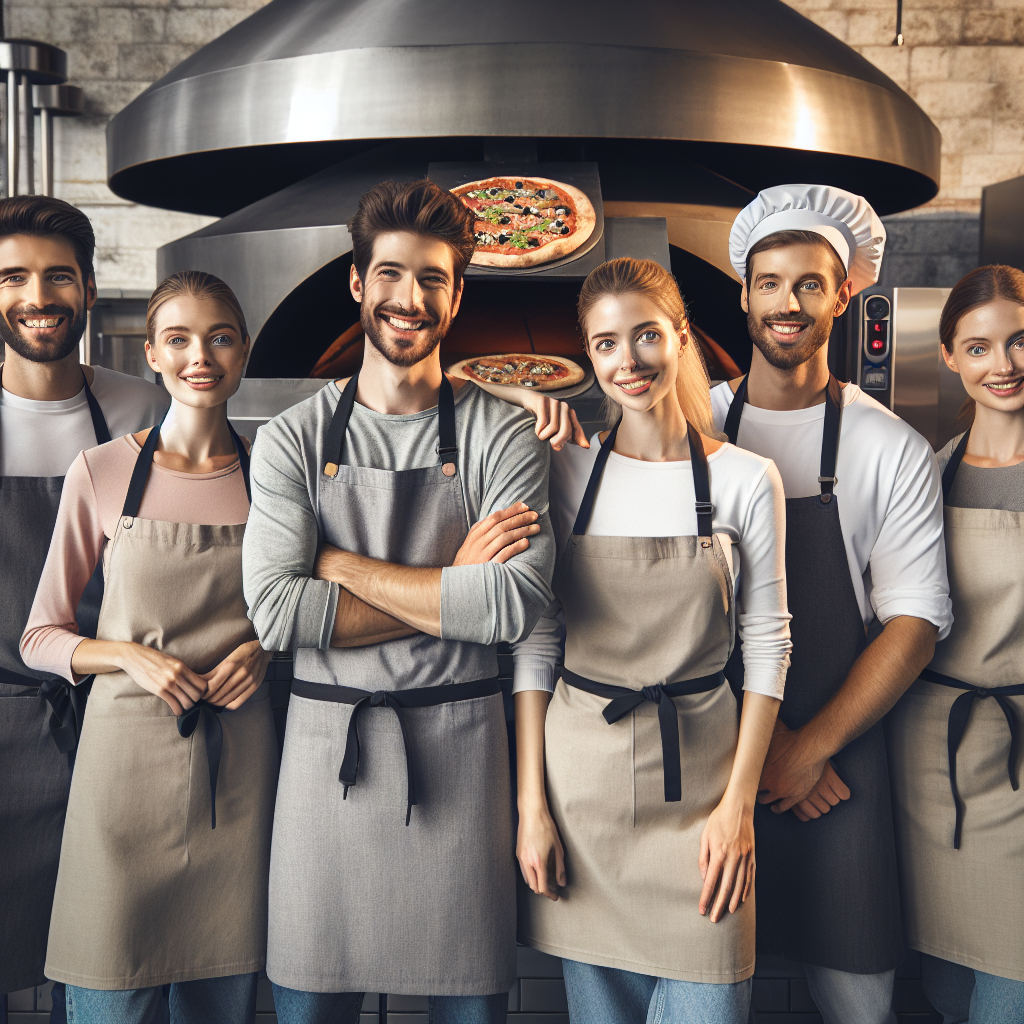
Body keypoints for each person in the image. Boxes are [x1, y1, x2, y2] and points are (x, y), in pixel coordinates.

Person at [242, 179, 554, 1024]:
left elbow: (515, 607)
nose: (408, 299)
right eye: (390, 275)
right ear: (357, 283)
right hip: (325, 769)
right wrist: (456, 575)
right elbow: (277, 615)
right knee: (308, 1004)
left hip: (462, 765)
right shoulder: (293, 439)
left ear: (458, 294)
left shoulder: (502, 432)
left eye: (432, 279)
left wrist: (338, 565)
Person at [511, 257, 790, 1024]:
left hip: (702, 795)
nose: (626, 361)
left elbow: (768, 650)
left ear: (682, 338)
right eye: (604, 344)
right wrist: (531, 807)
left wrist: (738, 810)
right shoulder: (562, 473)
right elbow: (535, 646)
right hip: (582, 800)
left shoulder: (744, 479)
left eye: (645, 336)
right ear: (587, 358)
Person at [715, 184, 952, 1024]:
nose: (788, 303)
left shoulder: (889, 446)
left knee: (859, 999)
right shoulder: (691, 425)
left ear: (844, 291)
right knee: (712, 986)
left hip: (841, 767)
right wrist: (764, 749)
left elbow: (914, 625)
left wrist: (808, 748)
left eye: (809, 283)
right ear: (743, 294)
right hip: (717, 760)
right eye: (769, 282)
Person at [20, 271, 279, 1024]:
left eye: (221, 336)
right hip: (121, 775)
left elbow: (305, 609)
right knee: (108, 995)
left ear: (244, 351)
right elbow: (41, 636)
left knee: (219, 1000)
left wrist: (264, 649)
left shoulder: (276, 474)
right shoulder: (101, 472)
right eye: (180, 339)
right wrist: (129, 655)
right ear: (153, 356)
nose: (202, 354)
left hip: (237, 774)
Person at [0, 196, 167, 1021]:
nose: (38, 295)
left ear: (91, 289)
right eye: (13, 277)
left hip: (111, 723)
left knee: (103, 970)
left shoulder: (145, 412)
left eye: (57, 275)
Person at [887, 265, 1024, 1024]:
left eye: (1018, 341)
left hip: (1018, 752)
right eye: (979, 348)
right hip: (929, 759)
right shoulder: (928, 475)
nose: (1003, 365)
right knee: (944, 986)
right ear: (949, 357)